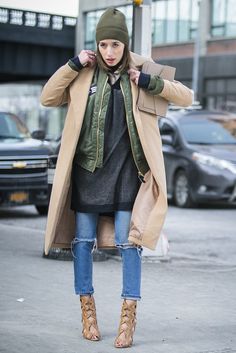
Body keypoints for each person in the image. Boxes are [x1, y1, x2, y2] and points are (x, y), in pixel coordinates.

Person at [40, 7, 192, 348]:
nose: (109, 52)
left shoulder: (142, 69)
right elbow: (48, 97)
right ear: (97, 44)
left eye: (116, 45)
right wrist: (74, 63)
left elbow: (186, 96)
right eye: (104, 44)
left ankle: (128, 318)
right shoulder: (83, 73)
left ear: (125, 44)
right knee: (82, 243)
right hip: (87, 173)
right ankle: (88, 313)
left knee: (129, 243)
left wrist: (151, 81)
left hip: (128, 173)